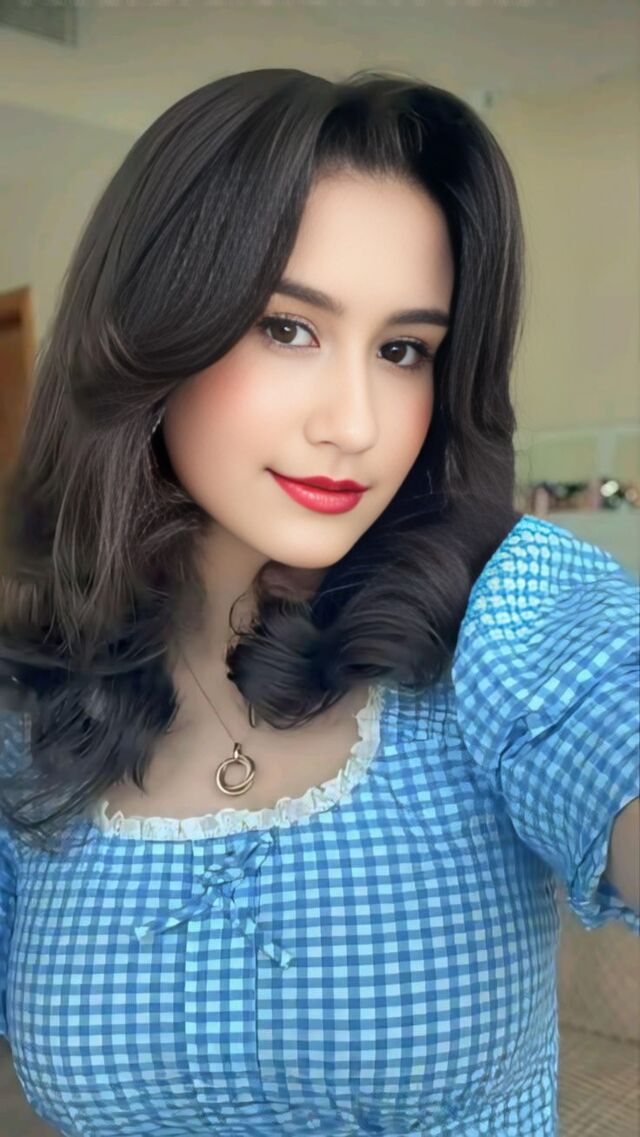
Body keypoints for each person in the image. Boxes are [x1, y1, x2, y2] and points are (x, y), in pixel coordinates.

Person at [0, 67, 638, 1137]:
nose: (355, 423)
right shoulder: (33, 714)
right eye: (288, 328)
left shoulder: (504, 613)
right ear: (149, 331)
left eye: (403, 350)